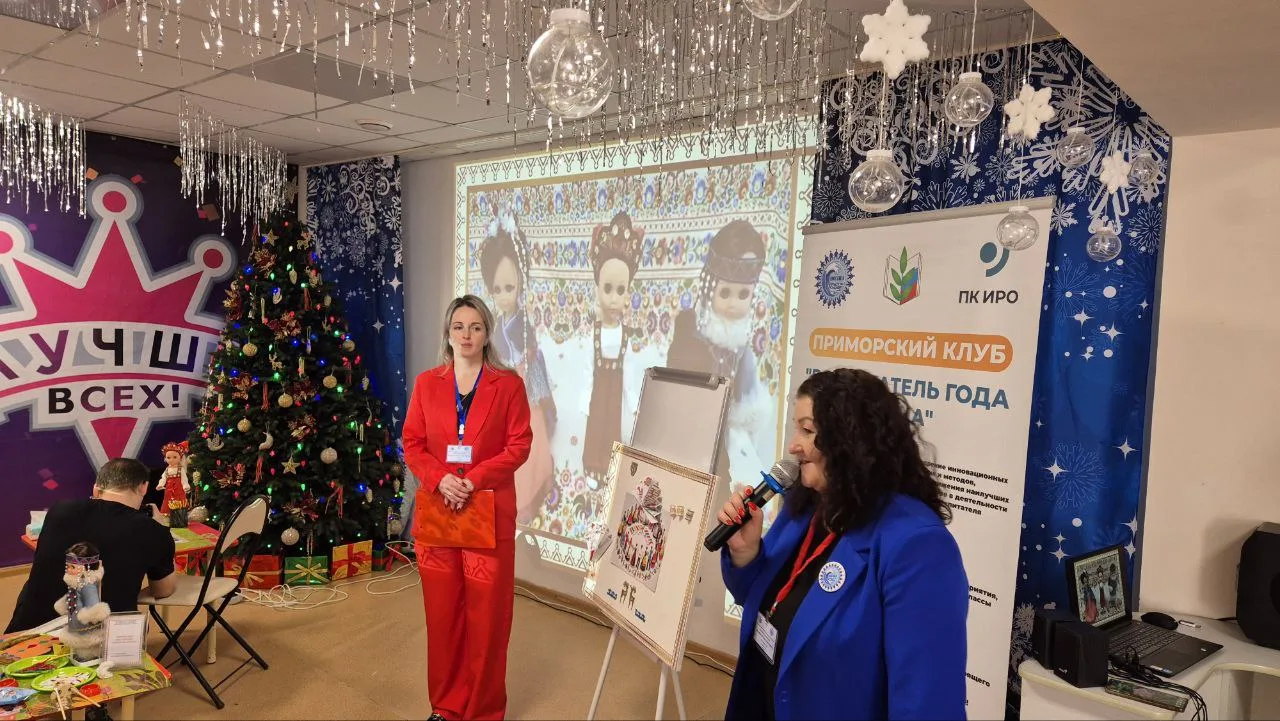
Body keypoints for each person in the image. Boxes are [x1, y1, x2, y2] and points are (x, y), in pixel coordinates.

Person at [719, 368, 969, 720]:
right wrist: (745, 554)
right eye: (796, 428)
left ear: (850, 438)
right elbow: (761, 599)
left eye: (807, 430)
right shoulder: (805, 507)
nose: (793, 445)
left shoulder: (917, 546)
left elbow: (925, 703)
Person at [402, 294, 533, 721]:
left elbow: (519, 444)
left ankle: (483, 711)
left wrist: (473, 479)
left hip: (488, 514)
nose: (466, 335)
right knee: (443, 618)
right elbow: (412, 443)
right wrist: (441, 478)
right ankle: (445, 706)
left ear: (487, 333)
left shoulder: (508, 385)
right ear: (448, 333)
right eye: (459, 327)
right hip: (439, 513)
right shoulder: (427, 384)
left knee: (487, 620)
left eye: (475, 327)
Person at [6, 458, 177, 634]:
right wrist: (161, 532)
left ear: (96, 488)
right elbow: (163, 590)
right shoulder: (154, 530)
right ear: (144, 488)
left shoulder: (59, 510)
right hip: (104, 639)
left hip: (29, 634)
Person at [478, 210, 556, 524]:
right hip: (501, 396)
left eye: (509, 288)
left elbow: (532, 365)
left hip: (524, 397)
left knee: (526, 450)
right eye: (496, 289)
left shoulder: (523, 325)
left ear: (520, 284)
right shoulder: (496, 325)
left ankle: (525, 501)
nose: (503, 297)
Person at [580, 211, 643, 487]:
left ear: (628, 292)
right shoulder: (593, 332)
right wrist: (584, 399)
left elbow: (629, 370)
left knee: (613, 430)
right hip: (598, 391)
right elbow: (587, 369)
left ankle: (610, 469)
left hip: (616, 391)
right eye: (608, 289)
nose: (614, 298)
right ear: (597, 289)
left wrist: (632, 401)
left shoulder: (625, 334)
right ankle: (592, 467)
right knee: (595, 430)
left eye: (620, 290)